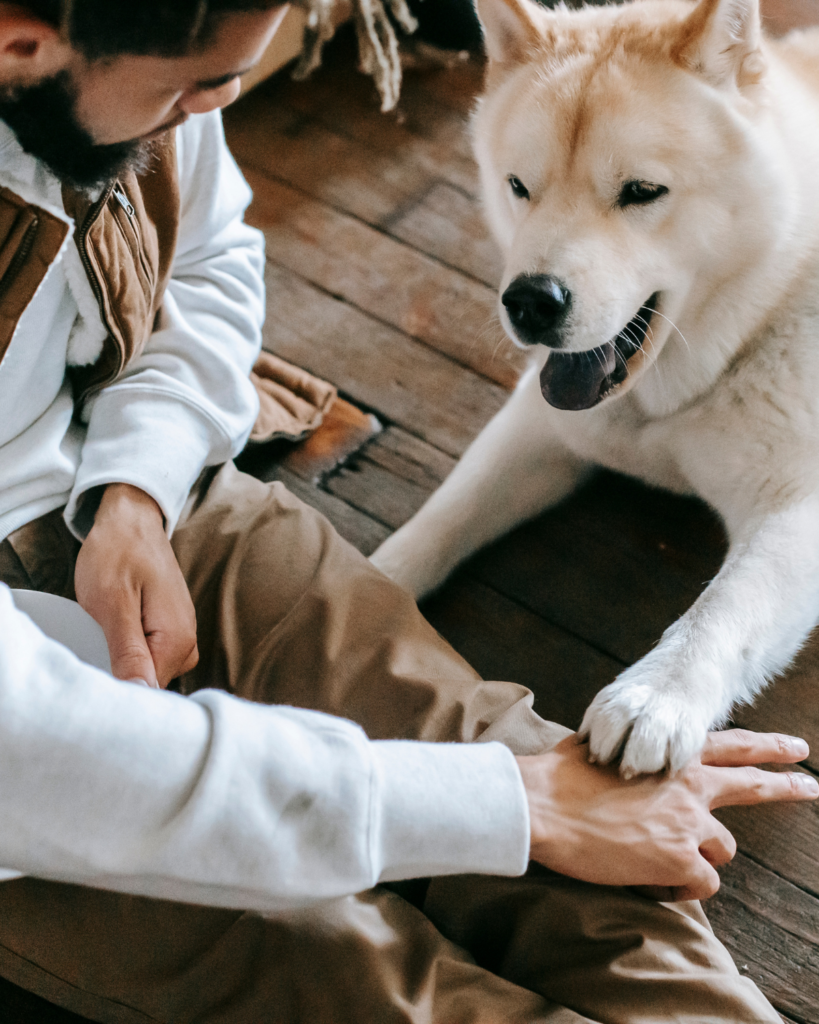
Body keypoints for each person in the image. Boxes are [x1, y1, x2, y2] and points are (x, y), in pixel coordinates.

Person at [0, 1, 814, 1021]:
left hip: (152, 505)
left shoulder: (138, 67)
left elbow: (207, 258)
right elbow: (39, 760)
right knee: (372, 977)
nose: (218, 106)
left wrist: (136, 486)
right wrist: (509, 807)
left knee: (568, 809)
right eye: (195, 87)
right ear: (20, 46)